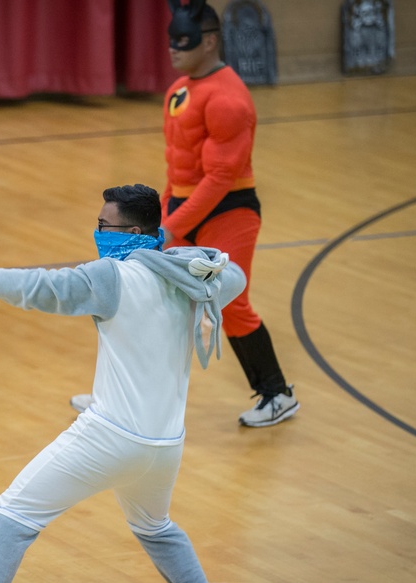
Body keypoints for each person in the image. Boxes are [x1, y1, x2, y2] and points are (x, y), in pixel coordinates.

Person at [0, 184, 245, 583]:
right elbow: (234, 278)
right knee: (156, 528)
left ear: (133, 231)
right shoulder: (188, 278)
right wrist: (180, 256)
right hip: (165, 445)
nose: (97, 233)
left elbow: (37, 288)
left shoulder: (110, 277)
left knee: (13, 514)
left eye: (104, 226)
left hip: (110, 437)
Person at [71, 2, 299, 427]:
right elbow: (180, 167)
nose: (174, 50)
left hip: (229, 210)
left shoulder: (229, 99)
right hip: (184, 207)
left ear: (210, 41)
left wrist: (171, 227)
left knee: (231, 303)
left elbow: (218, 179)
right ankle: (116, 397)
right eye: (171, 42)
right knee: (141, 296)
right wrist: (163, 212)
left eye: (185, 43)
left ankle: (276, 394)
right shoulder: (179, 90)